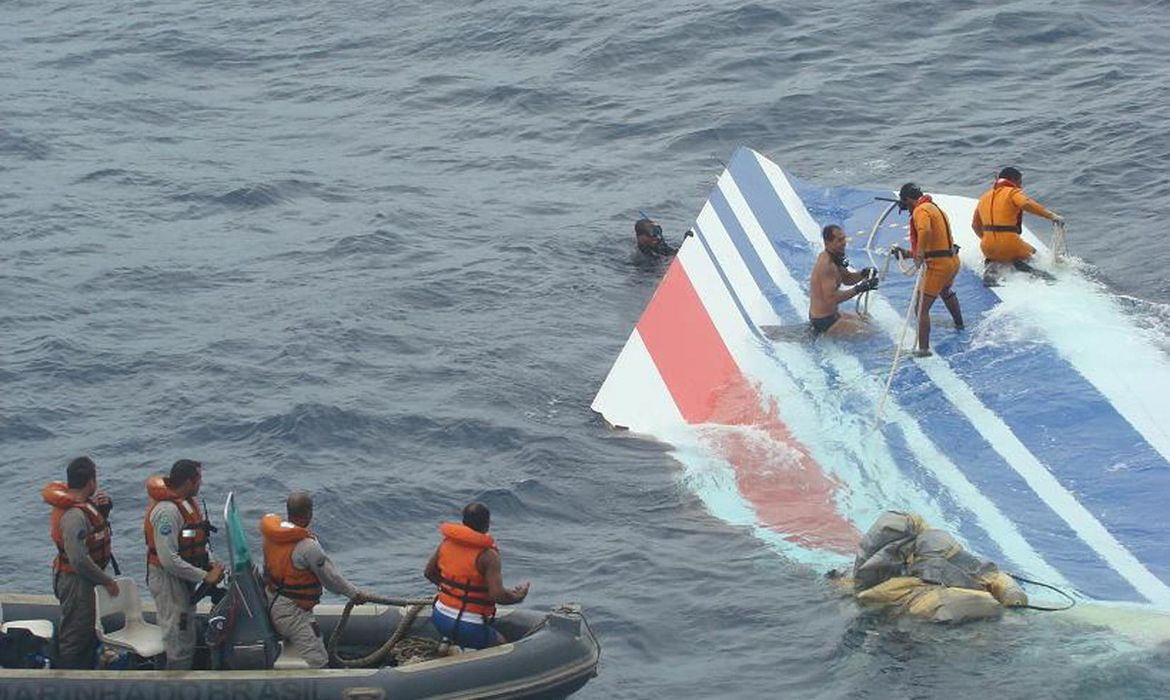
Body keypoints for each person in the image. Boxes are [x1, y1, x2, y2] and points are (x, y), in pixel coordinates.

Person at [260, 491, 371, 668]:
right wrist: (354, 594)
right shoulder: (307, 547)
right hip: (292, 613)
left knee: (315, 641)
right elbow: (331, 579)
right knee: (318, 660)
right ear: (309, 514)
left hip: (273, 601)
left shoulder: (271, 538)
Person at [143, 459, 224, 670]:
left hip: (184, 577)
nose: (200, 483)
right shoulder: (167, 512)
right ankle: (174, 683)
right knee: (178, 635)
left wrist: (211, 565)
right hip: (167, 579)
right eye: (198, 479)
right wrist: (204, 576)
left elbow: (196, 540)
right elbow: (168, 559)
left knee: (185, 629)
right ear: (189, 481)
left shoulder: (188, 505)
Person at [43, 457, 118, 669]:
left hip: (84, 579)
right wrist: (106, 581)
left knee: (85, 630)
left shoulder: (85, 507)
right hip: (76, 581)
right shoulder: (74, 515)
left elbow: (92, 534)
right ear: (90, 482)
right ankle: (68, 679)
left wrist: (103, 513)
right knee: (75, 635)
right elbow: (78, 560)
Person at [424, 503, 529, 649]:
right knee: (501, 646)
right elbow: (497, 595)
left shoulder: (446, 543)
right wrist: (518, 596)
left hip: (439, 617)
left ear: (464, 521)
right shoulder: (488, 555)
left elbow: (429, 573)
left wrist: (453, 591)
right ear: (487, 524)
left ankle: (451, 643)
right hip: (467, 625)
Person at [893, 183, 964, 357]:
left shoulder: (921, 211)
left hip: (939, 266)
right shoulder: (934, 207)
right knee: (945, 291)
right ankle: (959, 324)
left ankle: (923, 350)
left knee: (921, 307)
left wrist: (919, 255)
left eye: (906, 204)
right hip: (952, 261)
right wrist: (908, 254)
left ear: (908, 199)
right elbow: (936, 246)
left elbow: (925, 231)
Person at [972, 167, 1064, 284]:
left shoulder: (983, 197)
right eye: (1020, 182)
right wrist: (1052, 216)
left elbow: (975, 225)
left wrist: (987, 240)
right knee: (1034, 253)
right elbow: (1025, 203)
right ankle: (1021, 265)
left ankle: (992, 266)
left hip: (987, 248)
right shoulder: (1012, 192)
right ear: (1013, 180)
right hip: (1010, 245)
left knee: (997, 255)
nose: (1020, 187)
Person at [808, 224, 879, 337]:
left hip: (832, 314)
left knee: (867, 320)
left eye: (844, 239)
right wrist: (859, 288)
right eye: (840, 240)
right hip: (824, 321)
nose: (844, 243)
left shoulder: (834, 257)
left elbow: (847, 279)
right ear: (828, 243)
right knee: (870, 333)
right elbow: (831, 299)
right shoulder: (826, 265)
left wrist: (863, 274)